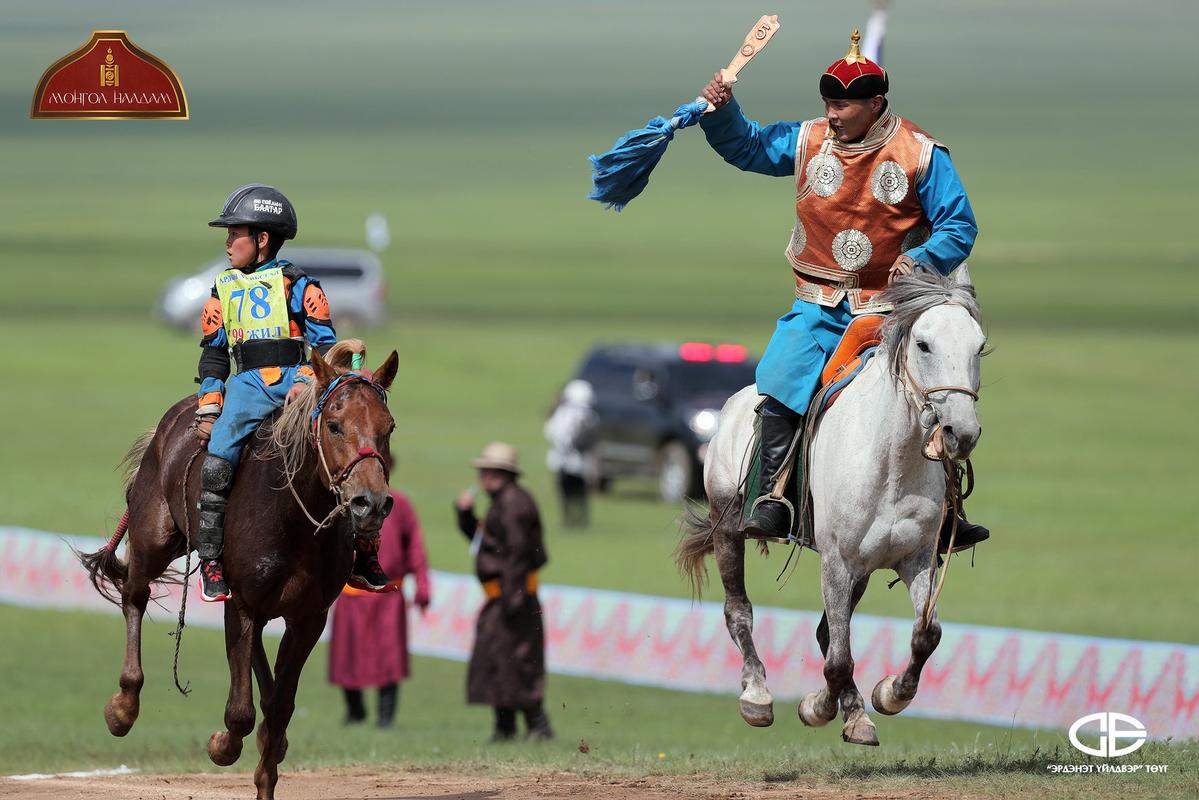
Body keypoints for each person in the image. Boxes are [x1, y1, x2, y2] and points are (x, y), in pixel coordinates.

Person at [698, 30, 989, 552]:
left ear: (875, 104)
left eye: (842, 105)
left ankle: (946, 512)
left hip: (890, 311)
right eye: (828, 104)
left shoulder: (921, 154)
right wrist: (723, 111)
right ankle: (770, 498)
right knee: (781, 380)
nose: (831, 114)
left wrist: (921, 259)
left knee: (934, 391)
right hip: (816, 306)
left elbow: (959, 225)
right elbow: (748, 147)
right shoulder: (810, 140)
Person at [191, 183, 391, 601]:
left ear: (262, 240)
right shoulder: (221, 290)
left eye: (235, 233)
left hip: (301, 382)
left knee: (354, 450)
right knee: (217, 460)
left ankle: (363, 553)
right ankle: (211, 561)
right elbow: (213, 355)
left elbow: (324, 345)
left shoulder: (301, 286)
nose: (228, 242)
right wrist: (210, 405)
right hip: (246, 385)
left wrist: (307, 379)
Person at [453, 442, 553, 741]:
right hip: (504, 597)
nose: (487, 477)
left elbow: (517, 555)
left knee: (518, 662)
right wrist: (466, 518)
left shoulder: (513, 504)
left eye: (495, 471)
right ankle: (505, 728)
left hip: (514, 597)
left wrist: (512, 599)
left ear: (508, 474)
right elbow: (488, 543)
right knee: (496, 661)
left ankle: (538, 726)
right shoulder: (503, 502)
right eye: (485, 471)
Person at [328, 477, 431, 728]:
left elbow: (415, 546)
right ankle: (355, 711)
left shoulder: (401, 505)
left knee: (390, 657)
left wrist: (422, 585)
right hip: (352, 594)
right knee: (346, 655)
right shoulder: (344, 505)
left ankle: (386, 717)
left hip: (388, 594)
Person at [543, 379, 598, 529]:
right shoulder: (590, 416)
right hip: (576, 461)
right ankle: (578, 520)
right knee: (578, 494)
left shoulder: (565, 413)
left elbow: (550, 431)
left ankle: (571, 520)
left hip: (566, 461)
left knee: (568, 493)